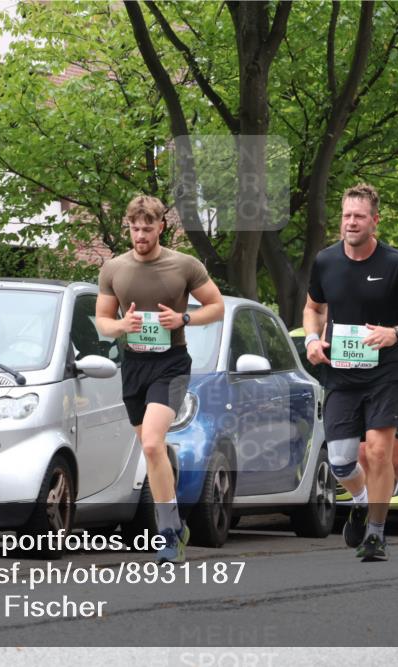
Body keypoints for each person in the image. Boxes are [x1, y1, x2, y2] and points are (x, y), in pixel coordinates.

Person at [304, 183, 398, 562]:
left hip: (387, 373)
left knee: (382, 453)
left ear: (374, 221)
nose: (351, 222)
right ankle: (363, 501)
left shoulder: (393, 264)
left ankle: (378, 534)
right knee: (342, 463)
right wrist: (312, 341)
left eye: (359, 216)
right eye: (346, 215)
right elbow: (313, 308)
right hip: (342, 376)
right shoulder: (326, 261)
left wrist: (395, 333)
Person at [96, 195, 224, 564]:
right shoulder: (113, 268)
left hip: (171, 363)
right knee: (153, 450)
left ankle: (167, 531)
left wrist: (183, 319)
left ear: (160, 227)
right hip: (133, 365)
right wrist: (121, 325)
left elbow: (215, 306)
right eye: (135, 229)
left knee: (152, 445)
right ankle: (176, 523)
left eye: (147, 229)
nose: (140, 235)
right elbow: (103, 320)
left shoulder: (184, 265)